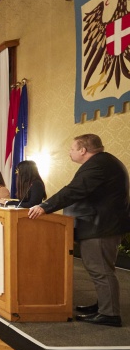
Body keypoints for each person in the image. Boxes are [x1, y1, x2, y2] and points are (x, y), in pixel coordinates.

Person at [28, 134, 130, 327]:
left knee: (101, 270)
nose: (70, 152)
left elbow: (75, 190)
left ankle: (109, 314)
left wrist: (45, 206)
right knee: (100, 268)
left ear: (83, 150)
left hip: (101, 226)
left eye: (72, 149)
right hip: (102, 224)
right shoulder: (104, 162)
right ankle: (103, 305)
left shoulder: (98, 165)